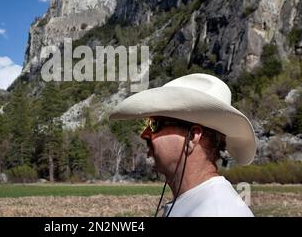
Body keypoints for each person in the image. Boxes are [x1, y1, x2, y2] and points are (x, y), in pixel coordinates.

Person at [109, 73, 256, 217]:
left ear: (192, 137)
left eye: (155, 125)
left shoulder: (217, 212)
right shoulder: (199, 202)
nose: (145, 134)